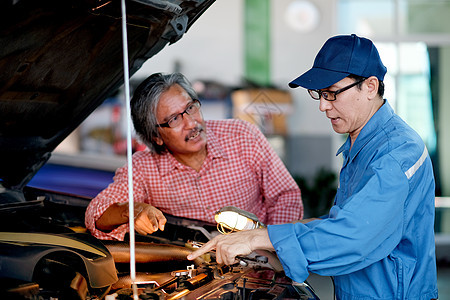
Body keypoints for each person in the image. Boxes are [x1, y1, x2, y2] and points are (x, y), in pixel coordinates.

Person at [188, 34, 438, 299]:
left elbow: (353, 235)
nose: (322, 106)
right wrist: (273, 247)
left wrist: (257, 239)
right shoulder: (363, 143)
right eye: (319, 94)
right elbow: (340, 221)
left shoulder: (396, 152)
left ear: (370, 86)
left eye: (332, 94)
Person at [85, 72, 303, 241]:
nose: (191, 123)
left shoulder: (242, 136)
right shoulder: (144, 169)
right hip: (196, 275)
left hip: (259, 268)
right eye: (174, 120)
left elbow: (285, 198)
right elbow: (96, 213)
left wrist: (272, 250)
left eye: (190, 107)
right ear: (156, 136)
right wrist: (133, 211)